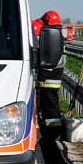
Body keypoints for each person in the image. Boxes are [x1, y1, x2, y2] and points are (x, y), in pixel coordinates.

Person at [36, 10, 66, 139]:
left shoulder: (51, 36)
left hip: (49, 80)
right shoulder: (57, 36)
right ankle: (49, 131)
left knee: (50, 107)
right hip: (52, 79)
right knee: (48, 105)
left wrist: (41, 77)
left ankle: (53, 133)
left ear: (47, 22)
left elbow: (49, 61)